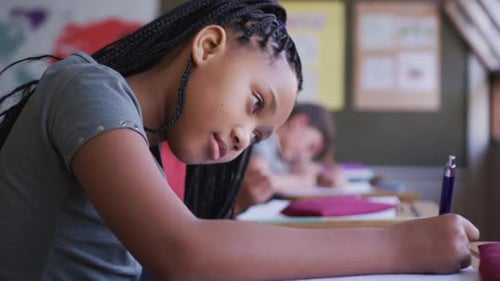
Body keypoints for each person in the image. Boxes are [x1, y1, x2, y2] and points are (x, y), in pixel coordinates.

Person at [0, 1, 479, 280]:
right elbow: (182, 250)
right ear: (208, 46)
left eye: (258, 136)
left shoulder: (142, 137)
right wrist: (399, 248)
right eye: (255, 104)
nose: (243, 139)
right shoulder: (89, 88)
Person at [234, 102, 348, 214]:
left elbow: (307, 170)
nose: (305, 157)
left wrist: (322, 176)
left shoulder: (284, 156)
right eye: (310, 146)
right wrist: (304, 180)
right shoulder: (263, 138)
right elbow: (261, 182)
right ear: (299, 122)